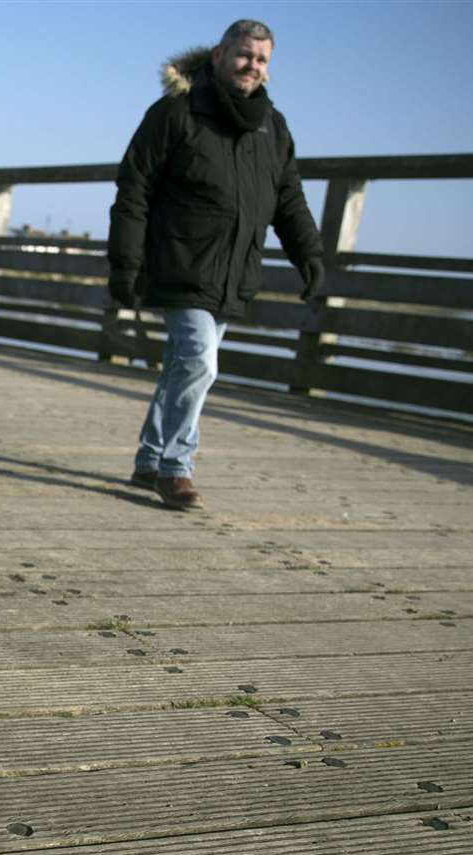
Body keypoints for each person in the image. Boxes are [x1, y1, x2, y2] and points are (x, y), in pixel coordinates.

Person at [108, 19, 324, 510]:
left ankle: (148, 458)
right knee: (200, 361)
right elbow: (134, 188)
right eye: (244, 55)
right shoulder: (175, 113)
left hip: (233, 270)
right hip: (178, 262)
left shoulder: (273, 126)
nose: (252, 65)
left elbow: (288, 198)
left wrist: (307, 253)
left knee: (185, 367)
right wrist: (124, 263)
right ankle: (176, 467)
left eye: (261, 59)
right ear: (219, 56)